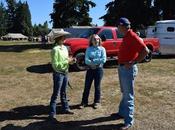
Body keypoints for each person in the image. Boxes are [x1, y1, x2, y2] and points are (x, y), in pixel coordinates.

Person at [111, 17, 149, 130]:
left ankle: (128, 121)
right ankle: (122, 113)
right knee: (125, 92)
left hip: (128, 69)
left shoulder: (132, 36)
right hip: (122, 68)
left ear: (122, 26)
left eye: (118, 26)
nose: (117, 28)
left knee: (128, 95)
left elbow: (145, 51)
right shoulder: (127, 36)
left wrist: (133, 62)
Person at [48, 29, 76, 122]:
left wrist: (71, 61)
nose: (65, 38)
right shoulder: (55, 49)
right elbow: (55, 64)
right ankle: (52, 113)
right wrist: (67, 61)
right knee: (56, 94)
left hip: (65, 72)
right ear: (59, 38)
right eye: (63, 36)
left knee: (64, 92)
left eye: (65, 36)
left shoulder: (64, 48)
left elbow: (66, 60)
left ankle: (66, 108)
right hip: (58, 74)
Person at [79, 34, 107, 109]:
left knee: (97, 86)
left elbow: (104, 60)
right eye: (94, 39)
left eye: (97, 39)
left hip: (99, 70)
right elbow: (86, 60)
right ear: (91, 40)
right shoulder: (88, 49)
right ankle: (84, 102)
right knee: (87, 86)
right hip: (90, 69)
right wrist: (95, 62)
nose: (96, 40)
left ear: (99, 40)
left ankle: (97, 102)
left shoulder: (102, 49)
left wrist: (93, 61)